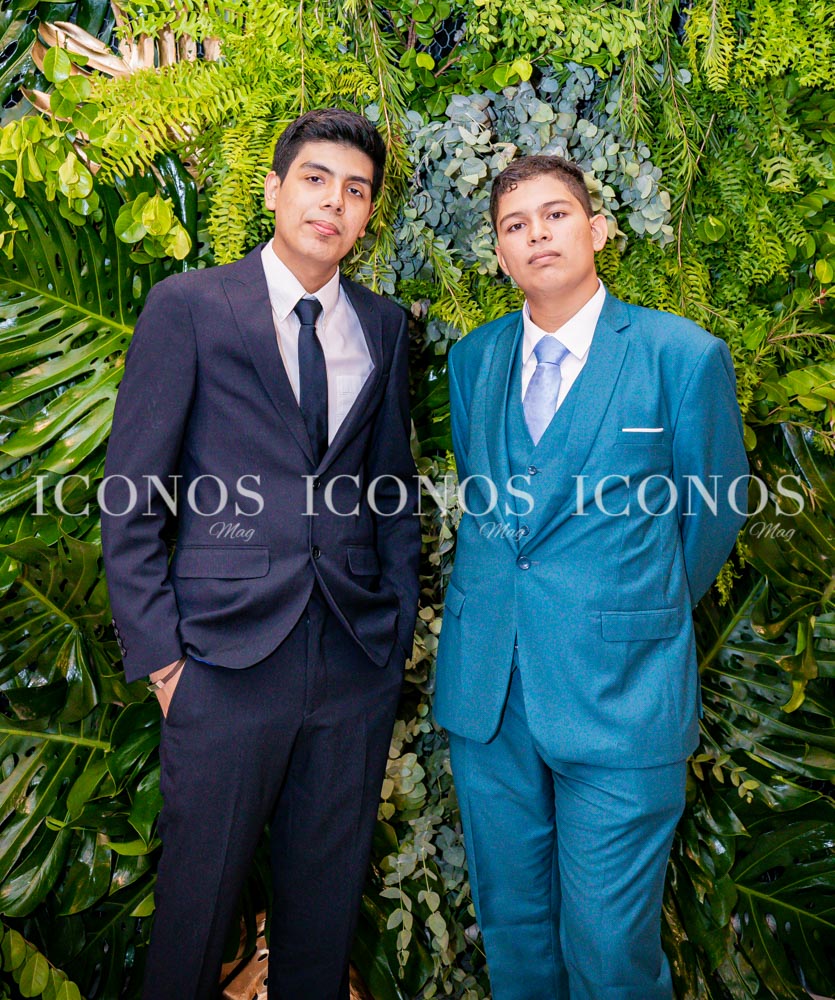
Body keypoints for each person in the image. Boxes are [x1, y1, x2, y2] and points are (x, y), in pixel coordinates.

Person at [101, 108, 421, 1000]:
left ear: (369, 213)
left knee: (324, 914)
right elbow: (132, 494)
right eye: (315, 180)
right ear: (274, 189)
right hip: (222, 661)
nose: (333, 202)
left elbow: (390, 491)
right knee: (195, 916)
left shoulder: (384, 326)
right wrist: (164, 662)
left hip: (351, 661)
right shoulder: (192, 307)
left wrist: (390, 635)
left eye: (355, 190)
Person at [434, 155, 748, 999]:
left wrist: (635, 610)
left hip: (621, 693)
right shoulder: (472, 360)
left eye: (555, 214)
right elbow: (492, 504)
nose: (536, 234)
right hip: (489, 692)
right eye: (514, 225)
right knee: (513, 931)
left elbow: (712, 514)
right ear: (498, 253)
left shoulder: (680, 357)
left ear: (597, 229)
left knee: (609, 949)